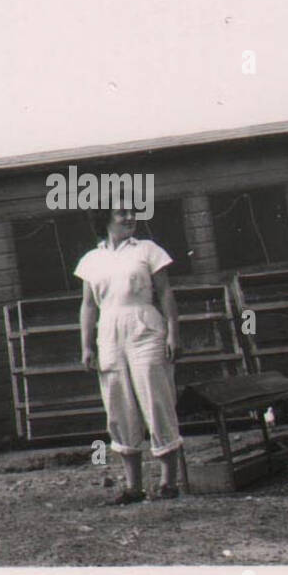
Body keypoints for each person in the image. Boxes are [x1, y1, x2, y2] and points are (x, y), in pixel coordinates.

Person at [75, 206, 183, 504]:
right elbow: (88, 306)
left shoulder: (148, 250)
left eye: (132, 213)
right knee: (118, 406)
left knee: (156, 398)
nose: (130, 218)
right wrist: (86, 345)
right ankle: (134, 487)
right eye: (122, 213)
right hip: (108, 332)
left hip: (144, 327)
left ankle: (168, 483)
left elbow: (165, 293)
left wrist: (173, 332)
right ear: (105, 219)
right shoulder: (91, 260)